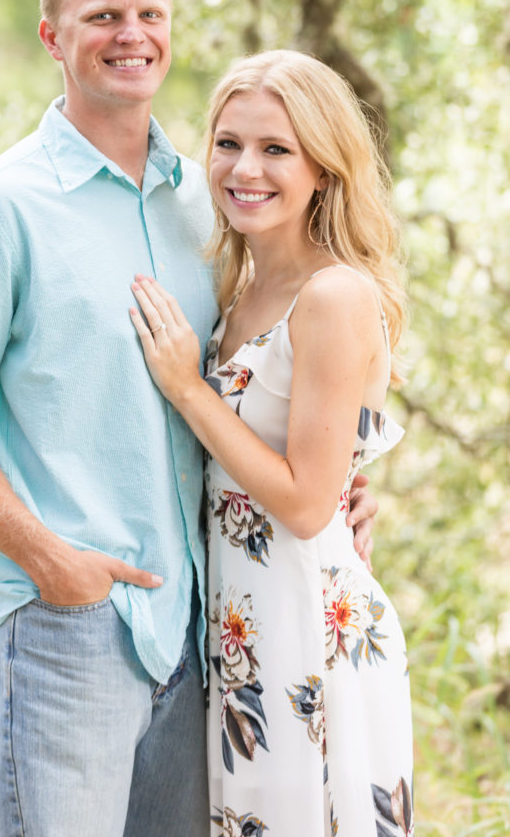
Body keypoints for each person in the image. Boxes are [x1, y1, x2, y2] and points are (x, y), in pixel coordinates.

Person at [0, 0, 377, 837]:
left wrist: (347, 478)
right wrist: (53, 564)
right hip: (64, 626)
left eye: (149, 13)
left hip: (203, 628)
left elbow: (280, 365)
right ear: (52, 37)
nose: (131, 34)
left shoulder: (206, 201)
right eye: (102, 16)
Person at [130, 49, 413, 837]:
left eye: (275, 149)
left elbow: (300, 503)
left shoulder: (334, 294)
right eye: (227, 143)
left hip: (307, 632)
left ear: (323, 168)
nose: (243, 168)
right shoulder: (240, 288)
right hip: (240, 626)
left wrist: (187, 387)